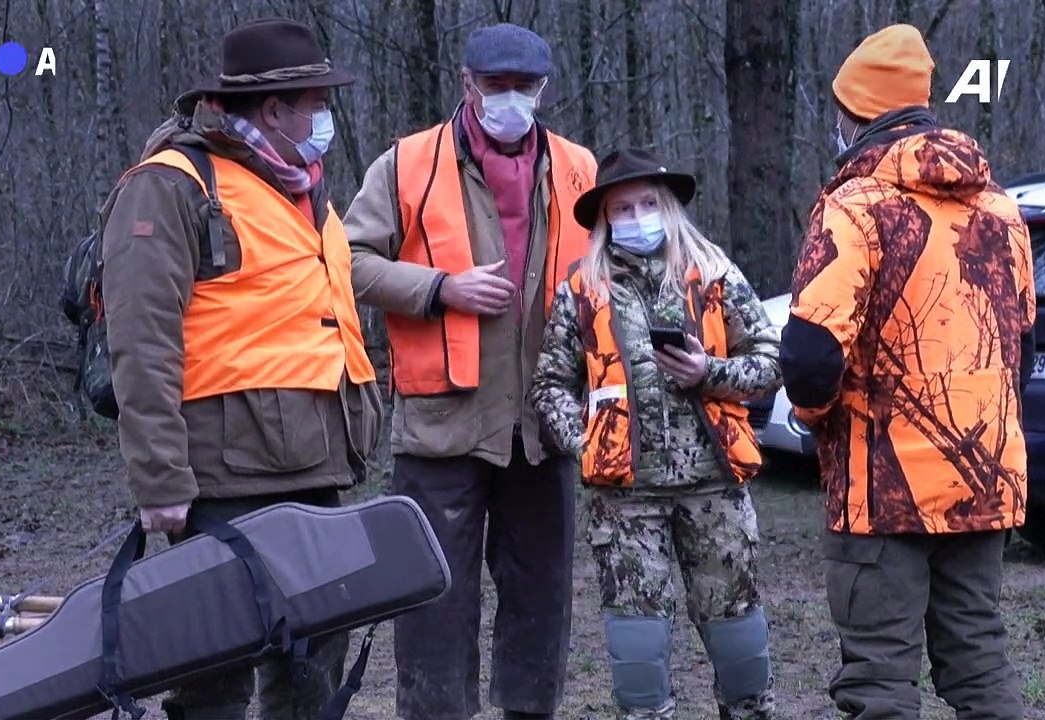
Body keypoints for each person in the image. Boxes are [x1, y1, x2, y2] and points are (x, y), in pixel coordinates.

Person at [100, 17, 382, 720]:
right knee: (212, 666)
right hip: (219, 474)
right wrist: (161, 480)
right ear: (273, 109)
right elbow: (141, 340)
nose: (325, 117)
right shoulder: (171, 184)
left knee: (313, 658)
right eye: (315, 102)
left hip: (314, 465)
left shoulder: (303, 189)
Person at [340, 22, 597, 720]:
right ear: (466, 82)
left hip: (544, 424)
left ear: (543, 88)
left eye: (524, 87)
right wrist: (440, 288)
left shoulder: (578, 167)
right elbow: (349, 263)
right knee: (432, 597)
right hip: (442, 423)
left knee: (541, 593)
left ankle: (528, 710)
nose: (510, 99)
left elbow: (604, 277)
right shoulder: (407, 164)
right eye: (495, 85)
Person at [779, 23, 1036, 720]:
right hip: (985, 478)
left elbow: (809, 357)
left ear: (855, 115)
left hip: (881, 492)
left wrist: (813, 422)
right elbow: (1023, 352)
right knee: (979, 659)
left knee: (879, 680)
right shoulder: (1003, 211)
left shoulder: (854, 210)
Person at [529, 148, 780, 720]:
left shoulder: (713, 274)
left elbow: (770, 362)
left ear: (668, 208)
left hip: (714, 487)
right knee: (636, 647)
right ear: (604, 219)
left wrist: (709, 373)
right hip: (625, 498)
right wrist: (587, 443)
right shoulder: (581, 289)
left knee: (736, 630)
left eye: (648, 203)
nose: (637, 215)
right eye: (623, 207)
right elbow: (549, 387)